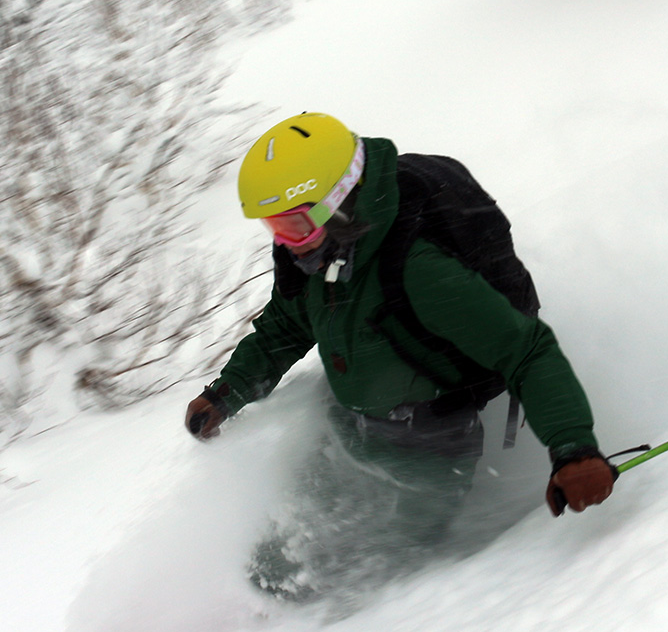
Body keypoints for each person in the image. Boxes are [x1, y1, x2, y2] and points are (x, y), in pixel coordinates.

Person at [186, 112, 615, 600]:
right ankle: (265, 615)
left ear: (339, 201)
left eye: (293, 224)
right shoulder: (317, 257)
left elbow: (526, 350)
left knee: (373, 576)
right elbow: (285, 326)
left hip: (428, 455)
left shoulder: (419, 269)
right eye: (274, 226)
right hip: (344, 426)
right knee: (274, 564)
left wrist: (574, 451)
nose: (284, 242)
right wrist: (226, 394)